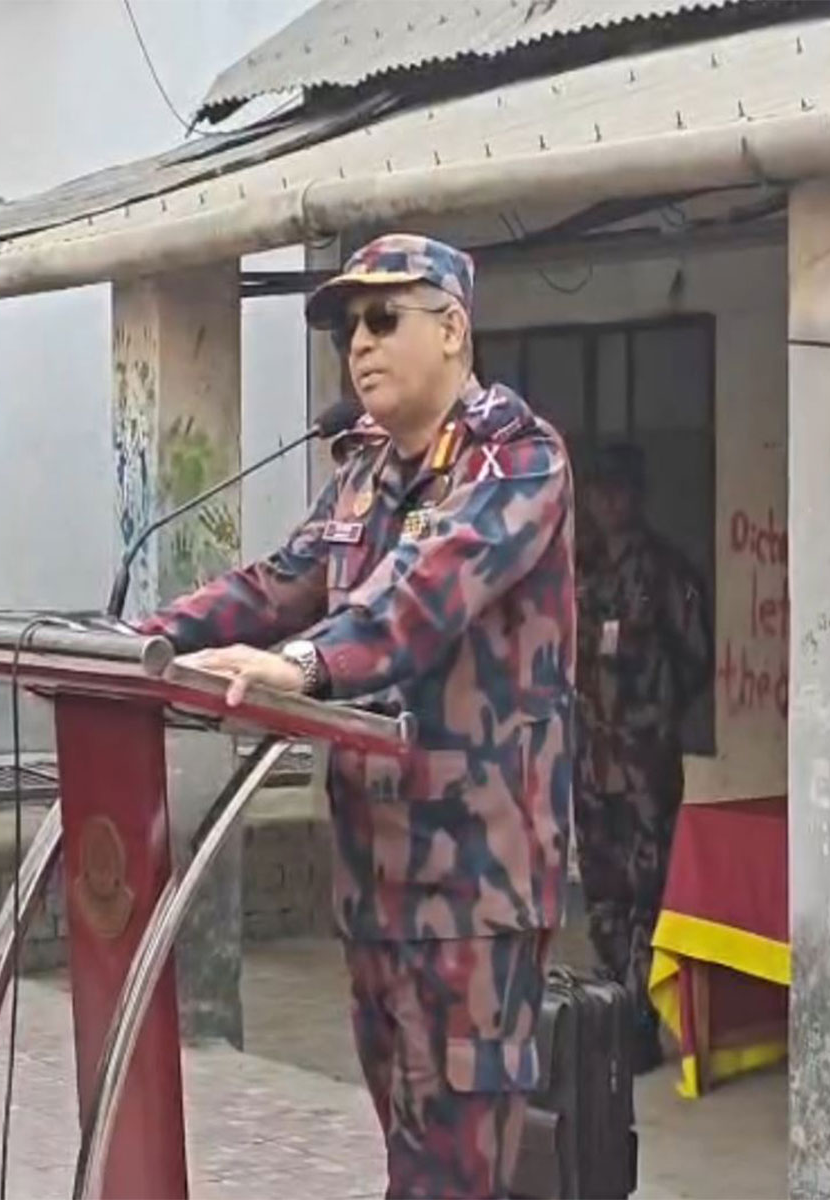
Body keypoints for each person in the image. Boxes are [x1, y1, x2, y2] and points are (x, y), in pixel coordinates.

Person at [136, 233, 576, 1199]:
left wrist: (305, 663)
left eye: (384, 319)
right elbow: (279, 583)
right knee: (408, 1154)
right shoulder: (364, 471)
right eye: (347, 329)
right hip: (378, 882)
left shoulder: (517, 462)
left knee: (456, 1172)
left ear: (453, 329)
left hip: (473, 888)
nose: (360, 346)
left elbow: (422, 594)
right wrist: (137, 642)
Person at [573, 443, 712, 1073]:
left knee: (647, 896)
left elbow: (695, 660)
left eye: (618, 491)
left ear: (636, 496)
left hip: (645, 766)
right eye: (598, 491)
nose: (607, 504)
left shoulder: (666, 572)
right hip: (592, 763)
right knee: (602, 895)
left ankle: (641, 1021)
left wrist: (649, 708)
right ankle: (608, 1019)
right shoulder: (579, 570)